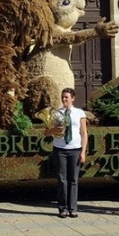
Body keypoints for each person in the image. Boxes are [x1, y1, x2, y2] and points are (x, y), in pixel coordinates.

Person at [45, 88, 88, 218]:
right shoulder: (57, 113)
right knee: (62, 179)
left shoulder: (79, 113)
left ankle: (73, 208)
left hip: (75, 149)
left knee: (73, 179)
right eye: (63, 97)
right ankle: (62, 208)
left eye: (67, 97)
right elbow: (46, 133)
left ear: (73, 98)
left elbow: (84, 133)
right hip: (60, 149)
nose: (64, 99)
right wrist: (54, 129)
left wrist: (83, 152)